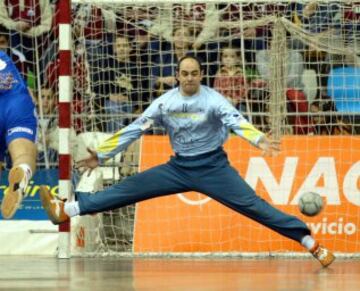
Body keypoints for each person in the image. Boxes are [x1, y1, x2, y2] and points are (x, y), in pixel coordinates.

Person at [40, 55, 335, 267]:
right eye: (185, 73)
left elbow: (237, 122)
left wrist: (258, 139)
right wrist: (101, 155)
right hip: (178, 168)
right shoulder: (165, 102)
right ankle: (68, 208)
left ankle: (310, 243)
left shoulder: (213, 100)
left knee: (255, 207)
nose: (190, 77)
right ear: (178, 75)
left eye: (194, 73)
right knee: (130, 187)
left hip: (213, 168)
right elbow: (135, 128)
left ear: (201, 75)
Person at [0, 50, 37, 219]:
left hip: (10, 99)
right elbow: (6, 81)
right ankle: (22, 173)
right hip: (16, 103)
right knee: (22, 153)